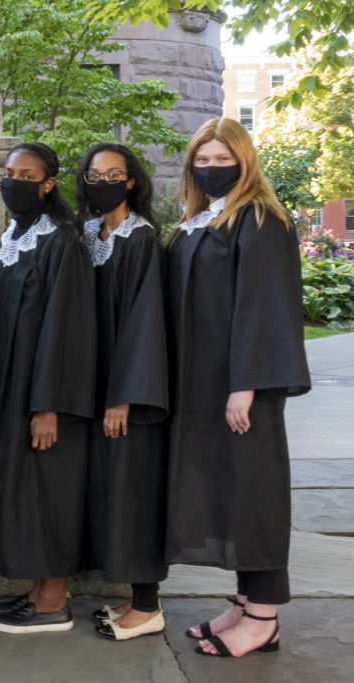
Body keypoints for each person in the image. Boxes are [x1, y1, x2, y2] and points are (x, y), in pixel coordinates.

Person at [165, 118, 310, 658]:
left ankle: (264, 618)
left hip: (240, 384)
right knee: (227, 490)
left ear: (244, 161)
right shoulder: (200, 219)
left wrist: (245, 385)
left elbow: (264, 305)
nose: (211, 168)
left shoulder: (260, 218)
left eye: (223, 159)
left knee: (255, 494)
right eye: (202, 160)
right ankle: (245, 602)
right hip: (203, 383)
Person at [0, 142, 97, 634]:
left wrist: (47, 405)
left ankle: (53, 603)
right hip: (14, 385)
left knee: (50, 491)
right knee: (30, 489)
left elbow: (66, 329)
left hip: (45, 392)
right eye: (8, 172)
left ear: (48, 184)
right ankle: (37, 592)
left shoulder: (61, 241)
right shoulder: (16, 234)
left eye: (26, 174)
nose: (14, 181)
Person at [74, 143, 170, 641]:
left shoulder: (141, 239)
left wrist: (123, 396)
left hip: (128, 393)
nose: (102, 180)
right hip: (96, 387)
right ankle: (135, 598)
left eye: (113, 173)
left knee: (134, 489)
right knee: (114, 489)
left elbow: (144, 323)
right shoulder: (90, 233)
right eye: (94, 173)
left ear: (131, 180)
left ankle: (149, 605)